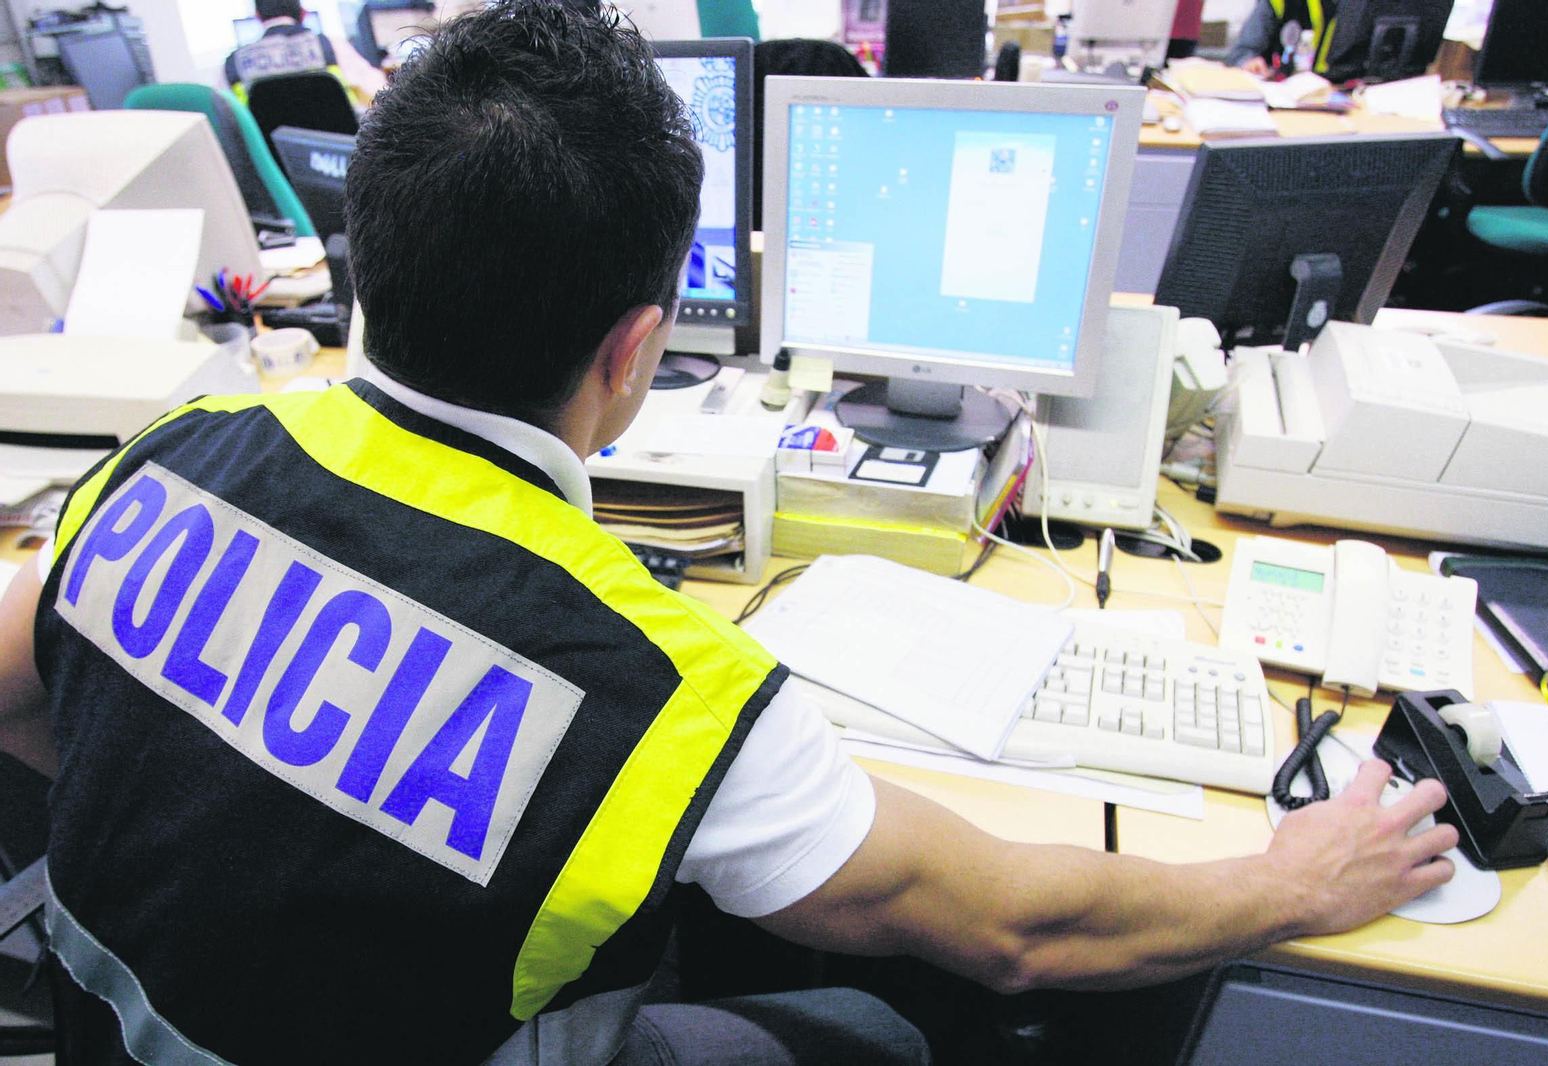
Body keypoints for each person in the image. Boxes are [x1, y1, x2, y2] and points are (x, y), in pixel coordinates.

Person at [0, 2, 1459, 1062]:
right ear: (635, 352)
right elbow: (1024, 930)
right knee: (896, 1021)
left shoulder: (167, 457)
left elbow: (26, 683)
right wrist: (1293, 878)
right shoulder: (657, 688)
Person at [224, 0, 361, 105]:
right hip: (338, 139)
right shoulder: (330, 45)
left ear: (258, 16)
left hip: (271, 141)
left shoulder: (234, 62)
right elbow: (375, 90)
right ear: (303, 13)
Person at [1225, 0, 1338, 77]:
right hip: (1281, 95)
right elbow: (1243, 51)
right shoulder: (1279, 3)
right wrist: (1249, 62)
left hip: (1342, 93)